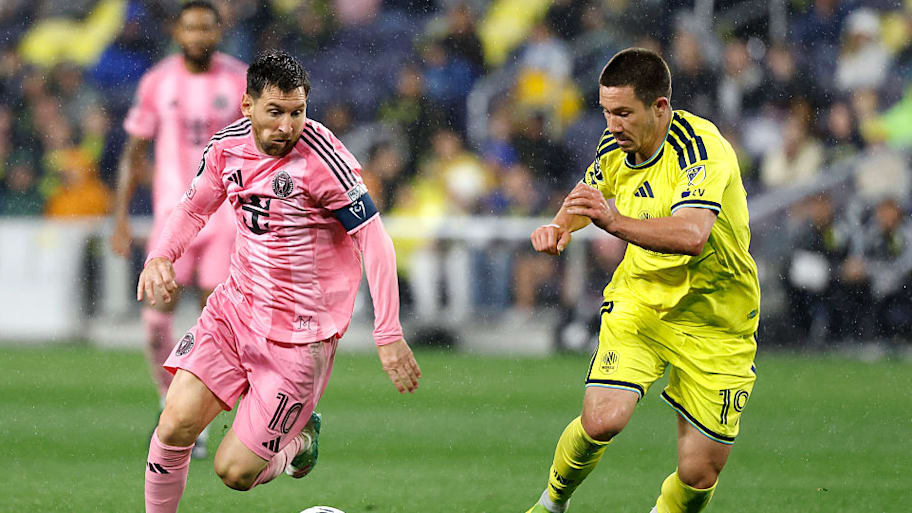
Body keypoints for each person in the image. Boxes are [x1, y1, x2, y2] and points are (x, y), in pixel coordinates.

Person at [138, 49, 420, 513]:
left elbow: (375, 239)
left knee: (234, 472)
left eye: (297, 112)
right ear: (247, 106)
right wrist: (160, 256)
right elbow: (192, 207)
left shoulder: (323, 160)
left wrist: (388, 331)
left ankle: (297, 444)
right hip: (234, 313)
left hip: (299, 338)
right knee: (173, 426)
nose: (287, 126)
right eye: (275, 112)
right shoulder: (226, 148)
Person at [526, 48, 760, 513]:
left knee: (698, 474)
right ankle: (550, 505)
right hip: (642, 303)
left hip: (716, 321)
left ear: (660, 107)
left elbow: (693, 234)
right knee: (603, 420)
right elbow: (588, 196)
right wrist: (558, 227)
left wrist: (614, 224)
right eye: (606, 111)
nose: (612, 124)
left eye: (623, 112)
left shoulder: (702, 150)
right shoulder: (614, 146)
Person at [110, 1, 248, 458]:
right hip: (174, 219)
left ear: (218, 31)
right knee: (154, 325)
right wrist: (122, 217)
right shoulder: (157, 81)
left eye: (206, 28)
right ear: (177, 32)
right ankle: (169, 399)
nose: (198, 35)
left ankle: (201, 418)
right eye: (190, 28)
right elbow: (135, 151)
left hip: (226, 217)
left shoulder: (240, 80)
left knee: (216, 318)